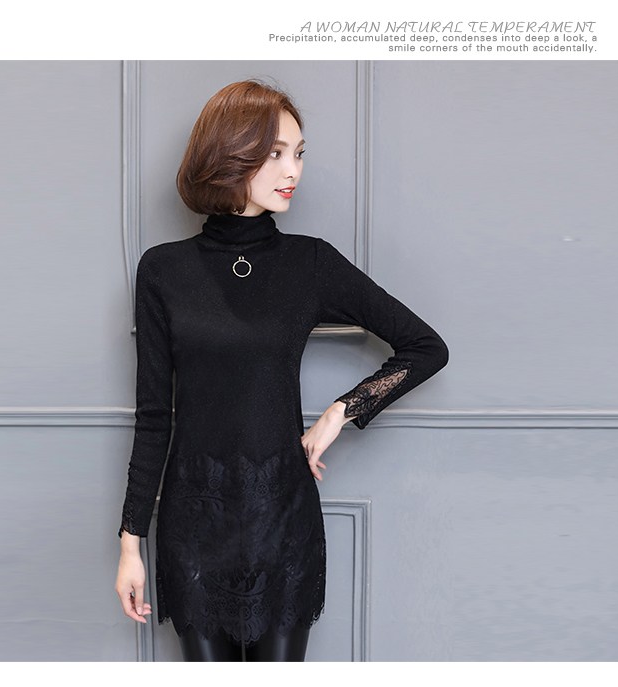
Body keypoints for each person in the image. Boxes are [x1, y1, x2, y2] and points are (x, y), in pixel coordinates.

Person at [115, 80, 449, 662]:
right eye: (274, 153)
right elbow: (153, 417)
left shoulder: (309, 263)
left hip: (282, 522)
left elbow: (425, 347)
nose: (292, 169)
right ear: (229, 153)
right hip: (194, 526)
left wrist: (341, 413)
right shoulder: (164, 270)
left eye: (298, 153)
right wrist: (130, 545)